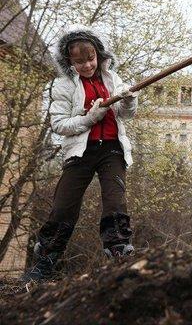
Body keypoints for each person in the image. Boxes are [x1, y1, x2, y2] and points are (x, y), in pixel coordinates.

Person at [22, 25, 139, 282]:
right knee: (64, 207)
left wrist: (129, 100)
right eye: (79, 61)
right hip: (80, 152)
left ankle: (120, 256)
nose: (86, 65)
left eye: (90, 59)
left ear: (98, 54)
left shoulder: (112, 79)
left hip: (112, 150)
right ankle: (44, 263)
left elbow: (127, 115)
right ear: (69, 61)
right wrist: (89, 118)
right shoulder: (62, 86)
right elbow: (59, 124)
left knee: (115, 203)